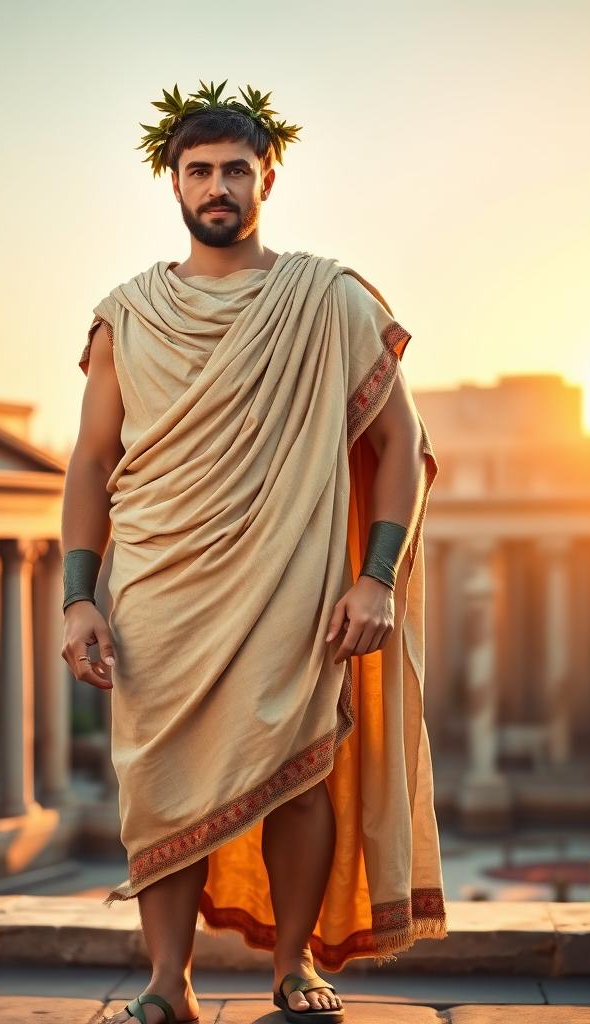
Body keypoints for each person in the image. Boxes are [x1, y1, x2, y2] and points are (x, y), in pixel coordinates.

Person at [60, 81, 447, 1024]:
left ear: (267, 178)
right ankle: (166, 984)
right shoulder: (128, 314)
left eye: (237, 169)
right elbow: (91, 459)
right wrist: (78, 595)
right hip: (157, 582)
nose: (219, 186)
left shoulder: (329, 299)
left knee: (300, 769)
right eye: (201, 171)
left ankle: (293, 969)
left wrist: (375, 576)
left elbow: (401, 444)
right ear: (174, 182)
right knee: (159, 784)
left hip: (293, 579)